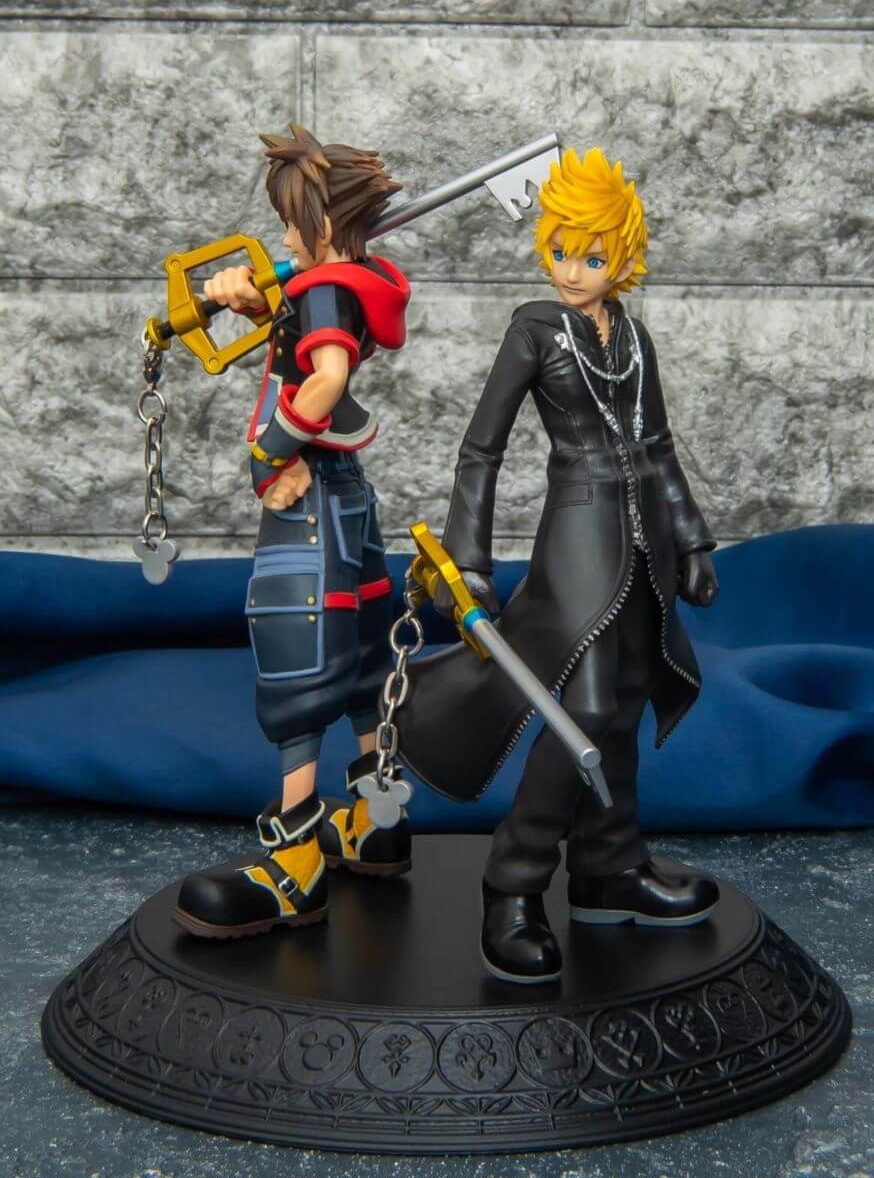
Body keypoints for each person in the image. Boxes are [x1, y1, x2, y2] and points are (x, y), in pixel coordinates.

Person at [392, 146, 720, 982]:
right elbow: (481, 448)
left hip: (644, 541)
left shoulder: (635, 338)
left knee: (629, 696)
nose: (572, 270)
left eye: (592, 256)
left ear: (623, 256)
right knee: (588, 704)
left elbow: (659, 446)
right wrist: (467, 560)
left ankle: (609, 867)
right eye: (561, 250)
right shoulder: (536, 329)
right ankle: (512, 882)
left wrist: (692, 539)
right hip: (577, 538)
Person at [173, 124, 412, 939]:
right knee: (365, 655)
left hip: (308, 496)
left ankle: (297, 864)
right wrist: (251, 299)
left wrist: (267, 454)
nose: (281, 240)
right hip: (350, 496)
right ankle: (375, 824)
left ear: (322, 224)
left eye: (290, 225)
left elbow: (328, 375)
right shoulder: (347, 282)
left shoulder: (323, 291)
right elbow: (311, 325)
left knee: (297, 661)